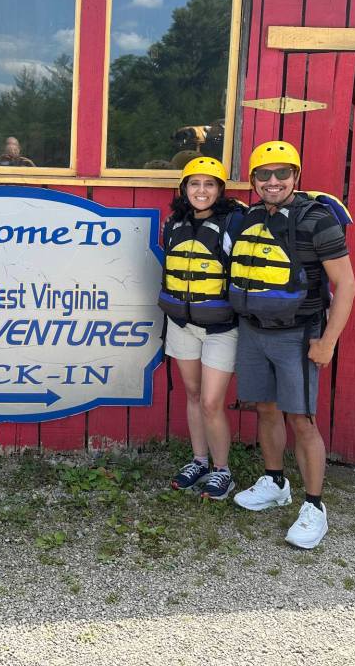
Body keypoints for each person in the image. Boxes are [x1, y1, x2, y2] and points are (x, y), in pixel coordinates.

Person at [228, 141, 355, 549]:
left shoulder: (317, 220)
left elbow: (347, 285)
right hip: (252, 331)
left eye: (282, 173)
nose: (273, 181)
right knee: (265, 409)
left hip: (297, 335)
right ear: (252, 180)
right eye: (263, 175)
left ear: (296, 177)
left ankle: (315, 507)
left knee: (301, 420)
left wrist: (328, 342)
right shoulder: (248, 217)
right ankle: (275, 481)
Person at [159, 156, 245, 500]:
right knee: (193, 395)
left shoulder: (233, 223)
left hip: (221, 326)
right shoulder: (174, 223)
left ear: (220, 189)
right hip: (182, 322)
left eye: (209, 184)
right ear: (184, 188)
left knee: (211, 401)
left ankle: (222, 470)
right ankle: (199, 460)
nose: (201, 190)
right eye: (195, 183)